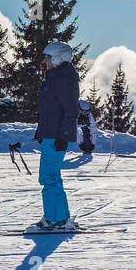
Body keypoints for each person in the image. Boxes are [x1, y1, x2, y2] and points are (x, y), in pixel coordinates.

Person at [32, 40, 79, 231]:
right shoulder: (54, 78)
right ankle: (60, 216)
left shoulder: (62, 80)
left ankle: (55, 219)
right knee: (52, 176)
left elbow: (71, 110)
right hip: (50, 134)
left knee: (49, 176)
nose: (45, 61)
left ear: (59, 58)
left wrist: (63, 137)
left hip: (56, 137)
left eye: (48, 57)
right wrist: (41, 133)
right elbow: (48, 111)